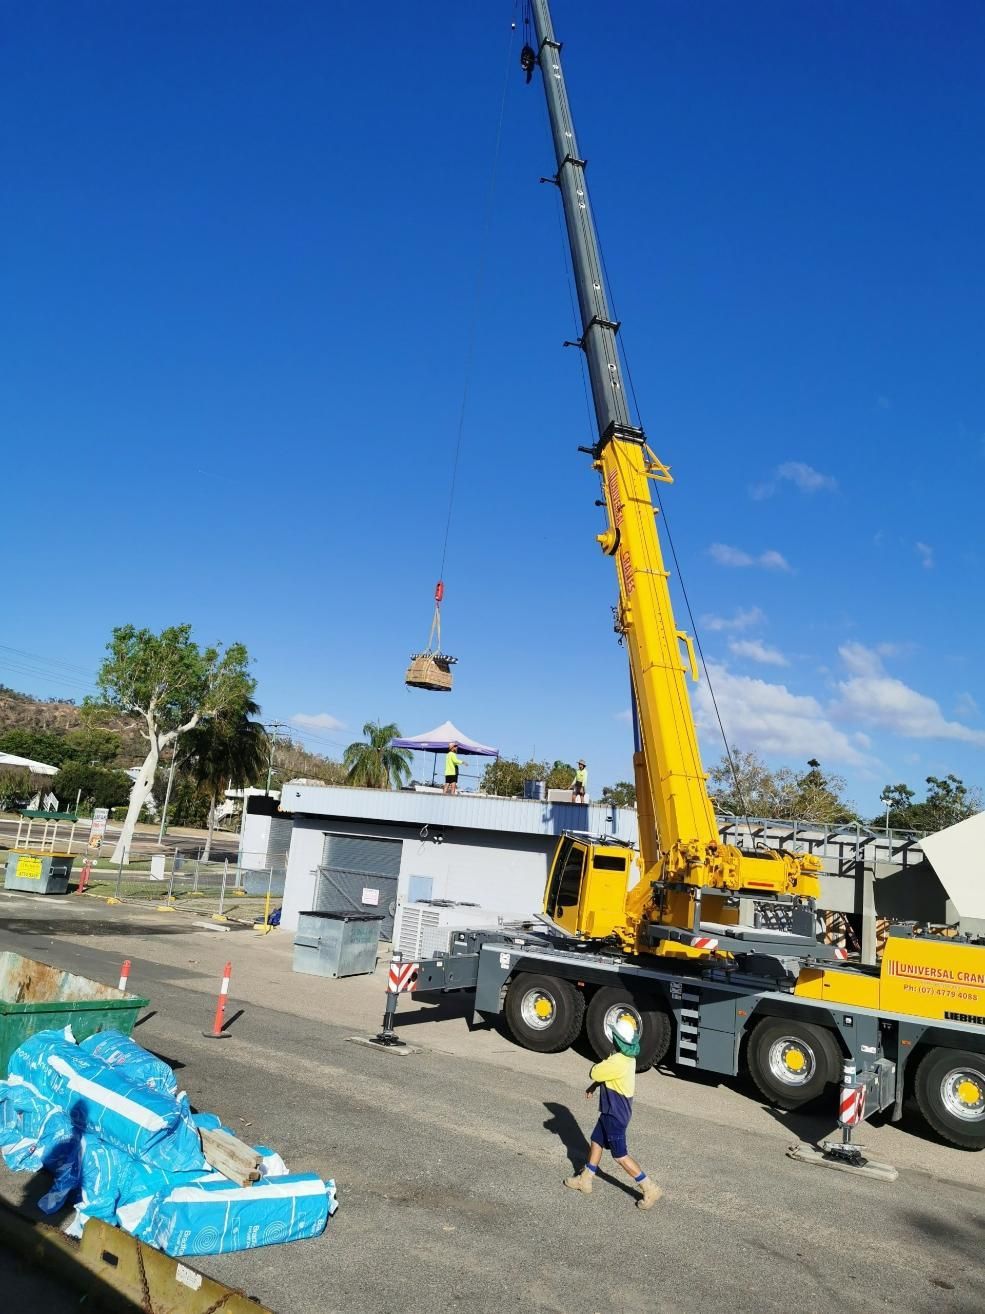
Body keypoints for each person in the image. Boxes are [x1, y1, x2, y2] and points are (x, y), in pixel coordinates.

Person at [563, 1015, 662, 1210]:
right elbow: (605, 1077)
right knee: (596, 1141)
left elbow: (595, 1071)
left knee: (620, 1156)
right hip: (612, 1112)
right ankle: (586, 1179)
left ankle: (649, 1188)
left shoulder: (617, 1061)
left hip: (614, 1116)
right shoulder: (628, 1059)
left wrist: (598, 1072)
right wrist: (594, 1087)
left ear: (617, 1040)